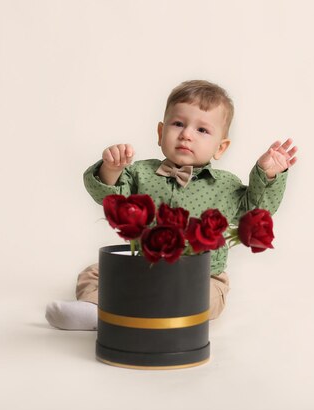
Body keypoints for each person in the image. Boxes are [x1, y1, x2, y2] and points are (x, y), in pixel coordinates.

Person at [45, 80, 298, 330]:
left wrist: (268, 174)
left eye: (202, 130)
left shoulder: (225, 186)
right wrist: (111, 169)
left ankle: (143, 310)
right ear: (160, 132)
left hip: (201, 276)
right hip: (144, 266)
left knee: (209, 296)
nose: (186, 134)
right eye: (178, 124)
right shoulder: (140, 173)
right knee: (94, 273)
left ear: (220, 148)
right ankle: (94, 311)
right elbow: (110, 197)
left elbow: (257, 210)